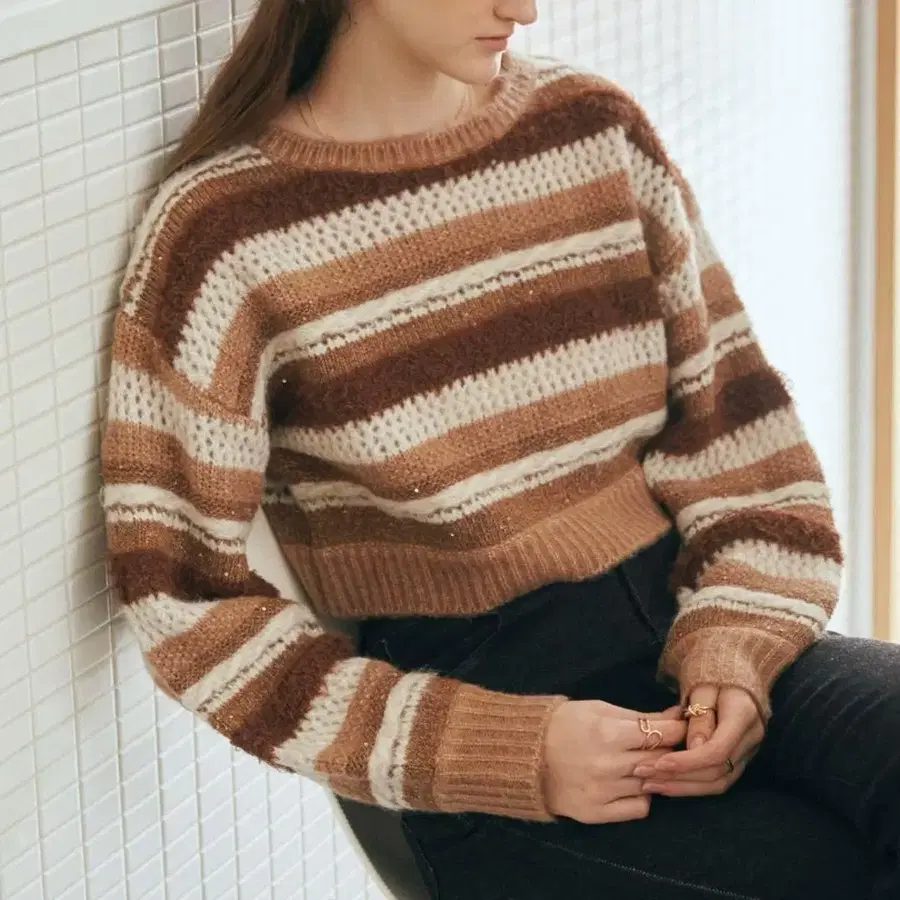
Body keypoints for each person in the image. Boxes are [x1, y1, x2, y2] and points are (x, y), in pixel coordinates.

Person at [98, 0, 900, 897]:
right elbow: (184, 601)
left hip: (693, 626)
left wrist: (739, 650)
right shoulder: (222, 230)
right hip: (478, 716)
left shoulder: (590, 128)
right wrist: (504, 750)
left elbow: (739, 440)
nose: (524, 8)